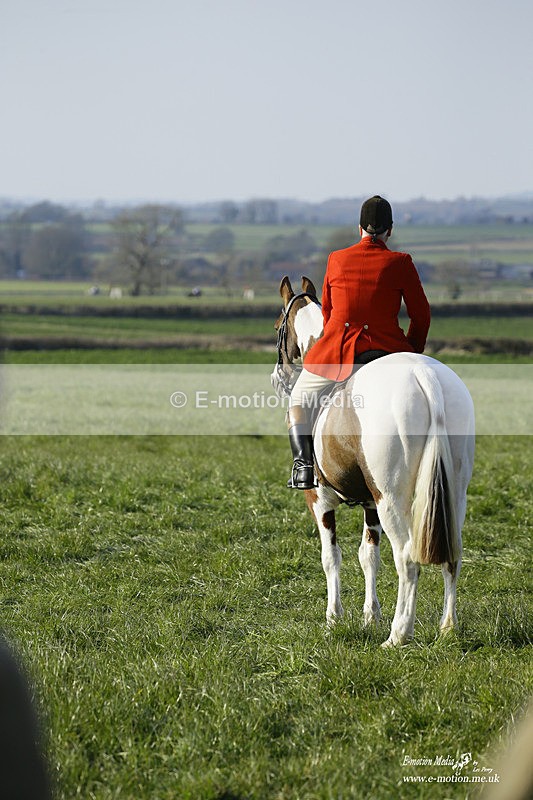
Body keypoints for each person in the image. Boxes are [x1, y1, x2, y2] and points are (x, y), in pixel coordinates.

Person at [287, 195, 431, 490]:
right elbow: (421, 315)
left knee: (298, 399)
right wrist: (410, 352)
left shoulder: (336, 259)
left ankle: (303, 466)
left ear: (359, 228)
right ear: (390, 230)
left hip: (340, 352)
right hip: (389, 351)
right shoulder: (401, 262)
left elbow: (328, 311)